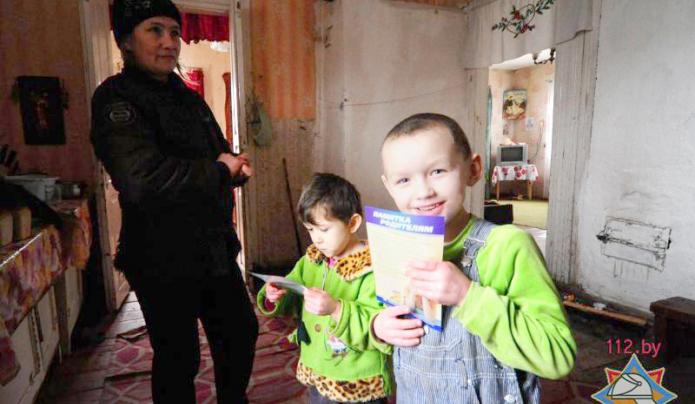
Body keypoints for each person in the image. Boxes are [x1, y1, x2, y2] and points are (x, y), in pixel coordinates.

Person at [90, 1, 258, 402]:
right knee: (178, 356)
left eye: (175, 32)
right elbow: (141, 180)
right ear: (126, 40)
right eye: (155, 30)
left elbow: (216, 153)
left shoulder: (186, 96)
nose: (169, 42)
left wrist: (234, 167)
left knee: (240, 333)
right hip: (160, 256)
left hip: (212, 248)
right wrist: (219, 171)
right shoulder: (116, 98)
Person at [371, 113, 576, 403]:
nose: (423, 192)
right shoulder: (395, 248)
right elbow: (379, 318)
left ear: (473, 169)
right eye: (403, 179)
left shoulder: (507, 247)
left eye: (438, 171)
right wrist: (379, 328)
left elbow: (558, 356)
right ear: (389, 186)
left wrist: (467, 296)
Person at [256, 173, 392, 404]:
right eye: (310, 229)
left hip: (355, 380)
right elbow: (291, 295)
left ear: (352, 223)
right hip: (316, 368)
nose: (316, 239)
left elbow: (377, 327)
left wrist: (336, 308)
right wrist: (275, 295)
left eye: (324, 229)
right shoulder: (310, 262)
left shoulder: (372, 269)